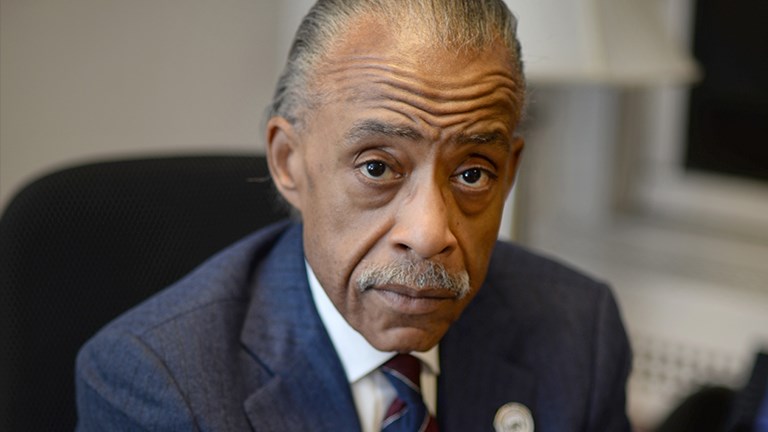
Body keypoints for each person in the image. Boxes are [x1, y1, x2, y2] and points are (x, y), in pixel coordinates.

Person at [75, 1, 632, 431]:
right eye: (376, 168)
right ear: (288, 162)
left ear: (508, 174)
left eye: (471, 174)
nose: (429, 234)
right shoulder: (160, 382)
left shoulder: (578, 333)